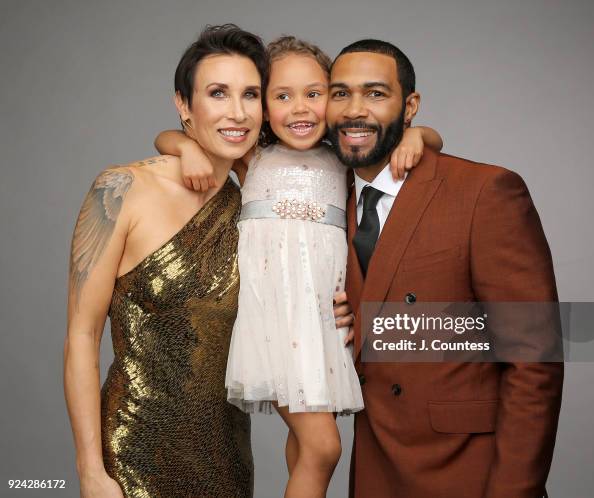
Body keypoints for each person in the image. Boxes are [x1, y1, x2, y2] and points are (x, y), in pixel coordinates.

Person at [154, 36, 443, 498]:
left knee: (306, 447)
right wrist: (185, 148)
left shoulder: (344, 160)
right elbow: (169, 136)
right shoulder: (252, 159)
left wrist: (415, 134)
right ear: (263, 107)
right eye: (282, 96)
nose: (300, 108)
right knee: (324, 447)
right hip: (273, 319)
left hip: (322, 323)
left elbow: (431, 137)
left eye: (314, 93)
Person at [325, 39, 564, 497]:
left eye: (375, 94)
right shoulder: (325, 198)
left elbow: (534, 359)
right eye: (340, 93)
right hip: (376, 466)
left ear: (409, 105)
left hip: (467, 470)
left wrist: (514, 490)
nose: (355, 110)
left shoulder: (484, 191)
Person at [64, 25, 268, 497]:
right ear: (184, 105)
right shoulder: (121, 190)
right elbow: (81, 335)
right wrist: (90, 472)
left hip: (227, 459)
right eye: (218, 93)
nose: (237, 112)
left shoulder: (258, 202)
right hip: (134, 455)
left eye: (251, 95)